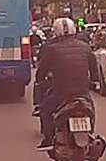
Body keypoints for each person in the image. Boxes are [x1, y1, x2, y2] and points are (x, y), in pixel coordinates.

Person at [35, 18, 99, 149]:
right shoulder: (85, 47)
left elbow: (41, 72)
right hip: (82, 93)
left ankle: (48, 139)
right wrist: (94, 82)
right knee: (90, 110)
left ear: (56, 31)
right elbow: (94, 70)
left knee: (45, 110)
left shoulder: (52, 49)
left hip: (61, 93)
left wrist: (40, 80)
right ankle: (90, 134)